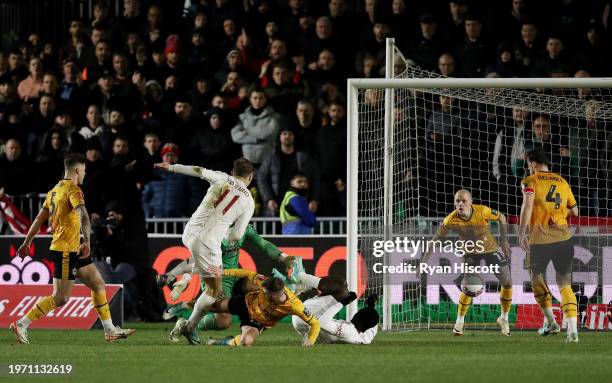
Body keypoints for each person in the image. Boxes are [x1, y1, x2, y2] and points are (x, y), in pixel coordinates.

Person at [9, 153, 134, 344]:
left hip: (72, 248)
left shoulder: (53, 191)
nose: (84, 174)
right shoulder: (73, 190)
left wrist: (27, 242)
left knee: (98, 284)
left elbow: (38, 220)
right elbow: (83, 215)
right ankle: (22, 323)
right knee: (60, 298)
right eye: (84, 170)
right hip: (66, 250)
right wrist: (88, 242)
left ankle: (109, 330)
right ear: (77, 170)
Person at [156, 157, 255, 344]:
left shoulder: (221, 177)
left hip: (189, 231)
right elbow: (237, 235)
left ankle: (178, 281)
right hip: (208, 243)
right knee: (213, 292)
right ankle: (189, 325)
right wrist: (225, 235)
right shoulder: (248, 201)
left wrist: (172, 167)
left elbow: (198, 170)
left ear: (233, 172)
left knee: (203, 270)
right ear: (250, 177)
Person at [421, 189, 513, 336]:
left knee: (507, 282)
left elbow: (502, 217)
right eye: (457, 201)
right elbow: (435, 241)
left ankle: (504, 318)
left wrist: (503, 240)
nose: (460, 204)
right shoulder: (450, 219)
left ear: (470, 202)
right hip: (469, 252)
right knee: (469, 286)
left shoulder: (482, 211)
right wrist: (423, 263)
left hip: (490, 248)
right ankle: (460, 321)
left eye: (463, 200)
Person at [518, 148, 579, 342]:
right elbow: (575, 211)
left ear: (533, 163)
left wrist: (521, 233)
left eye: (528, 165)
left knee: (535, 276)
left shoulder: (529, 181)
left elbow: (527, 206)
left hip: (540, 241)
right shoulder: (562, 181)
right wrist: (560, 215)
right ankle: (573, 331)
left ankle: (552, 322)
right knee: (564, 284)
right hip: (563, 239)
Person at [182, 267, 320, 347]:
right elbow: (245, 273)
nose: (264, 294)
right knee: (210, 306)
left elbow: (315, 324)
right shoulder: (266, 283)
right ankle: (183, 306)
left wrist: (310, 342)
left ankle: (224, 341)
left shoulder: (295, 305)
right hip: (245, 303)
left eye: (266, 294)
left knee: (246, 342)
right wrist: (222, 272)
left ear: (275, 294)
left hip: (258, 322)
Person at [292, 294, 379, 345]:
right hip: (304, 326)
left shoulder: (348, 330)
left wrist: (342, 303)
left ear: (357, 316)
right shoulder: (364, 338)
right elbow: (373, 326)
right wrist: (371, 305)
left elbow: (321, 323)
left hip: (300, 321)